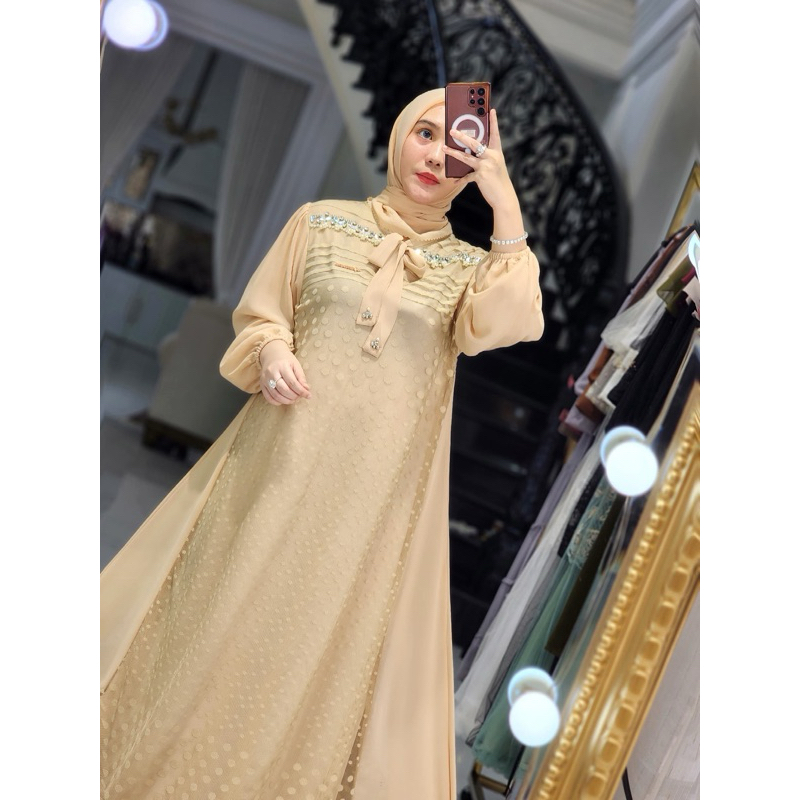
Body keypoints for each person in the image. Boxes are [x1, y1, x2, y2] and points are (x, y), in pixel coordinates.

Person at [100, 88, 544, 800]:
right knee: (220, 615)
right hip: (276, 465)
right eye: (424, 134)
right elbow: (261, 313)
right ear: (399, 136)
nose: (436, 155)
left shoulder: (470, 271)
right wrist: (273, 349)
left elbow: (514, 320)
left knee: (309, 641)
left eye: (456, 148)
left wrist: (504, 201)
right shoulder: (320, 222)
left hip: (371, 503)